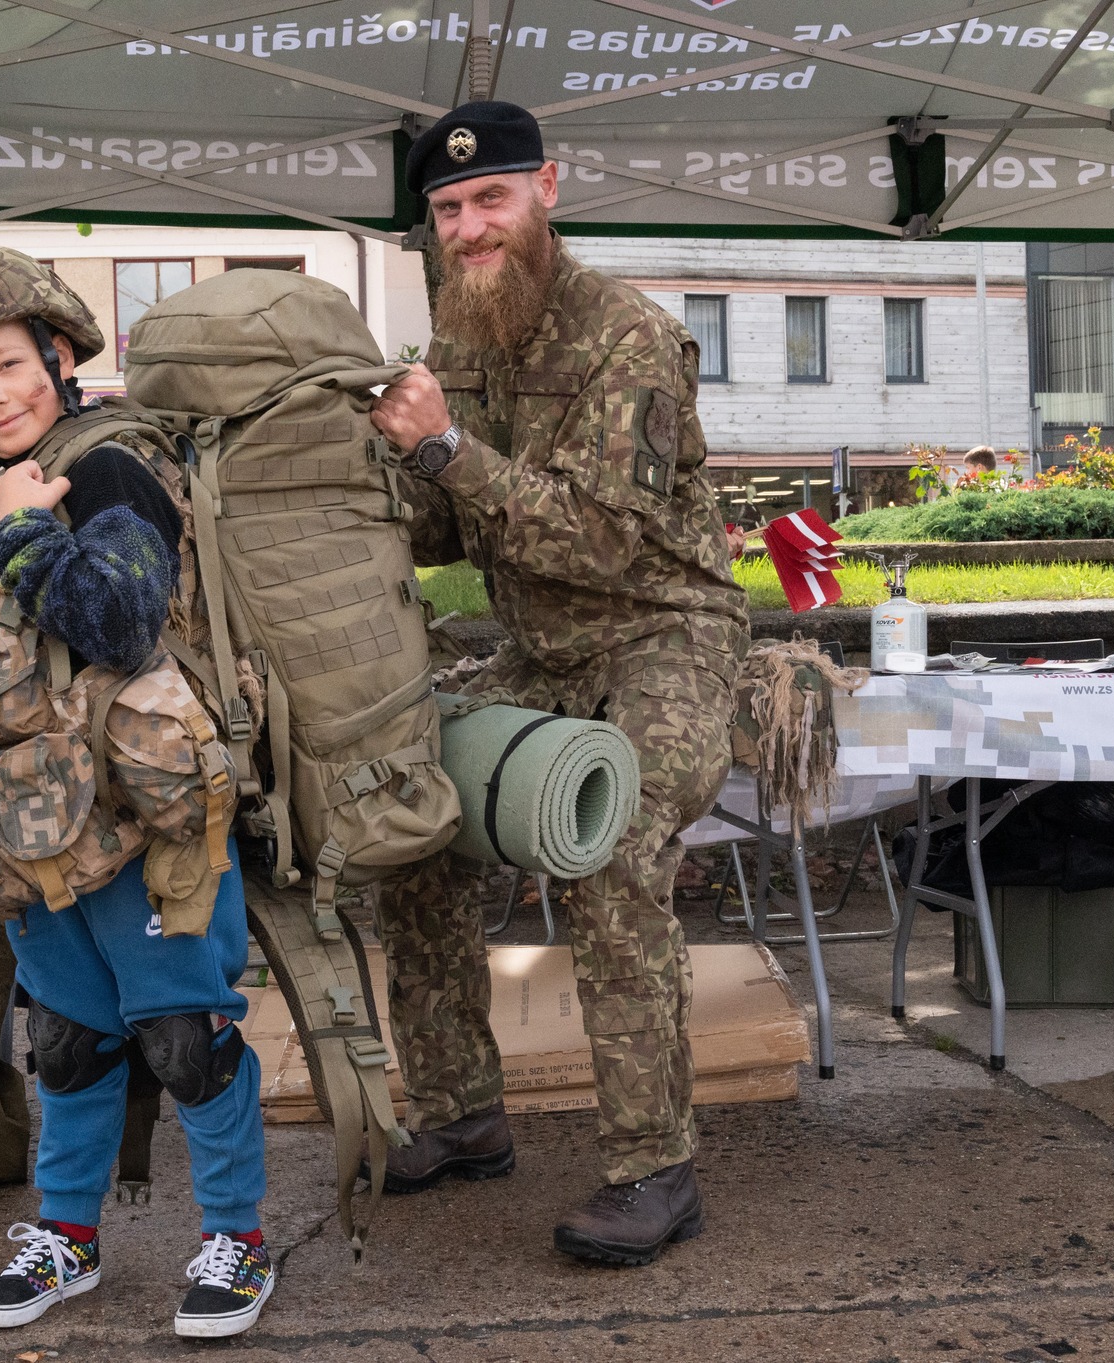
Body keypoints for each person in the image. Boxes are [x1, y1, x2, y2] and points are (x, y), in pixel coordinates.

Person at [367, 101, 749, 1267]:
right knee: (410, 813)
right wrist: (369, 467)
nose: (467, 228)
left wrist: (445, 449)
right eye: (446, 210)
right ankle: (459, 1114)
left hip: (663, 636)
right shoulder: (458, 334)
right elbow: (442, 529)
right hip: (539, 651)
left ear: (545, 190)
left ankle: (653, 1168)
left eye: (488, 198)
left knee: (610, 842)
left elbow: (598, 545)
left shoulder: (629, 337)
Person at [0, 246, 275, 1340]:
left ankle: (239, 1239)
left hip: (148, 811)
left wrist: (22, 527)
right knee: (64, 1036)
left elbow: (116, 621)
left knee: (184, 1035)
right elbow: (13, 634)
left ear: (58, 354)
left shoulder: (108, 465)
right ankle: (66, 1236)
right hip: (36, 810)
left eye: (9, 365)